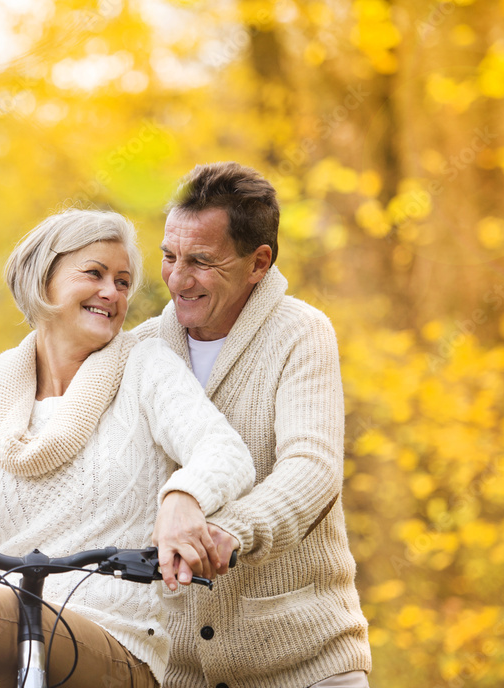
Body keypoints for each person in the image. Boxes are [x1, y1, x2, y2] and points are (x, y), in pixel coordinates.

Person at [0, 208, 255, 688]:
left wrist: (183, 499)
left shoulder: (144, 369)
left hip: (116, 645)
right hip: (14, 629)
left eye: (122, 282)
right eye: (94, 274)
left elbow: (223, 451)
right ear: (42, 281)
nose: (111, 293)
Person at [134, 162, 372, 688]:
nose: (177, 278)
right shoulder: (142, 347)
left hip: (306, 666)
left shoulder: (301, 333)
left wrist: (227, 532)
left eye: (201, 261)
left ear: (258, 262)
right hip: (177, 673)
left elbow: (312, 469)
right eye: (169, 257)